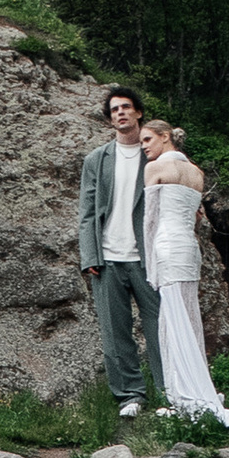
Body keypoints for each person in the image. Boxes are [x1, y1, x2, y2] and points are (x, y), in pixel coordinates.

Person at [141, 120, 229, 430]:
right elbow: (196, 220)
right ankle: (191, 385)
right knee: (187, 313)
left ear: (165, 137)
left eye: (148, 139)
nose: (144, 146)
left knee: (173, 317)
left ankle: (183, 392)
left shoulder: (155, 168)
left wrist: (150, 262)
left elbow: (150, 220)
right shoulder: (197, 173)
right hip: (189, 249)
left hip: (168, 246)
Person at [76, 88, 159, 420]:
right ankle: (130, 395)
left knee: (161, 327)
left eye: (126, 107)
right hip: (108, 259)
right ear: (110, 118)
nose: (120, 113)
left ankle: (169, 392)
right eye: (114, 110)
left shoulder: (153, 154)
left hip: (148, 258)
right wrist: (90, 256)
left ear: (138, 112)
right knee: (115, 331)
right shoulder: (97, 160)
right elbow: (86, 213)